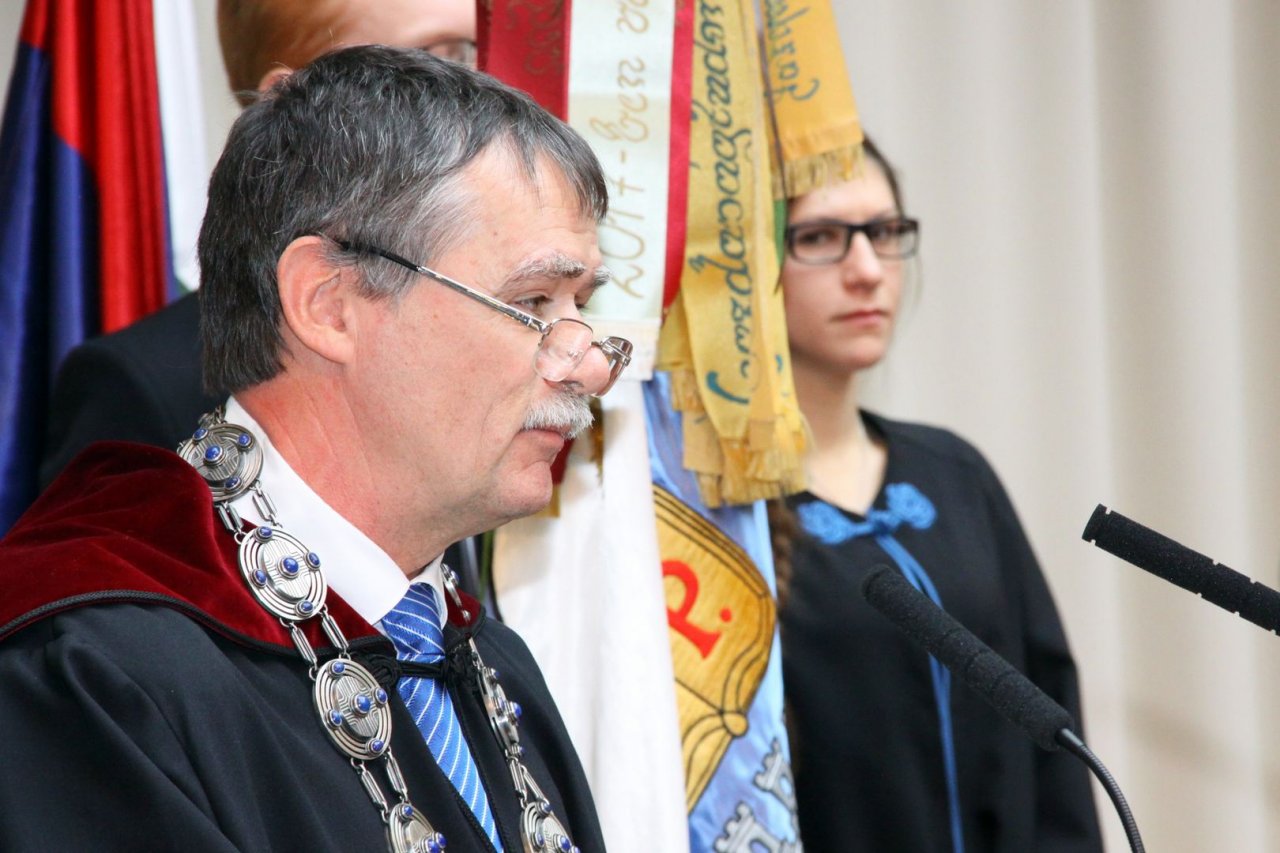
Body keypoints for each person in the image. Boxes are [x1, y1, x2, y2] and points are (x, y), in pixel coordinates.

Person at [0, 46, 631, 851]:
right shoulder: (96, 679)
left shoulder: (493, 662)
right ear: (329, 304)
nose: (588, 366)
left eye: (583, 306)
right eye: (534, 301)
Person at [771, 137, 1103, 851]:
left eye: (885, 232)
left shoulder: (953, 473)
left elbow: (1053, 726)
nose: (867, 269)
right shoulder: (721, 509)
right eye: (820, 237)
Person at [37, 0, 476, 492]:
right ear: (292, 104)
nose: (488, 89)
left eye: (476, 51)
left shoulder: (486, 323)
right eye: (433, 61)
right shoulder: (147, 387)